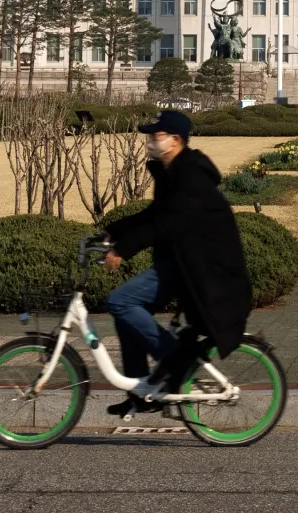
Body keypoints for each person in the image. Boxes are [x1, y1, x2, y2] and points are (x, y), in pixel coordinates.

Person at [99, 109, 252, 416]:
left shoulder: (190, 177)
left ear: (175, 140)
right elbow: (153, 215)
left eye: (156, 137)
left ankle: (174, 360)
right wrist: (110, 232)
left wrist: (122, 249)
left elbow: (167, 225)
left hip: (199, 269)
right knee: (125, 312)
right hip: (181, 262)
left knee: (120, 301)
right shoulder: (171, 173)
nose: (150, 142)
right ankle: (140, 389)